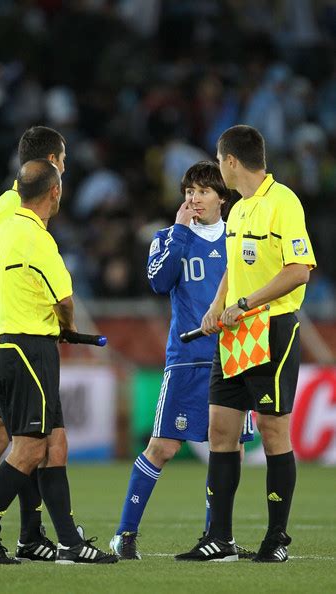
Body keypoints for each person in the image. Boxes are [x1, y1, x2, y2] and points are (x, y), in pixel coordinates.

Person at [0, 159, 118, 565]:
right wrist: (65, 326)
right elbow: (64, 301)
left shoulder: (1, 229)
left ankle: (68, 541)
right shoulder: (37, 237)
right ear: (55, 191)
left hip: (5, 345)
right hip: (31, 348)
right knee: (29, 449)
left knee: (54, 442)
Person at [176, 125, 316, 563]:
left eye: (219, 162)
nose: (219, 169)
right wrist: (217, 306)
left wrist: (244, 302)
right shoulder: (236, 212)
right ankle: (218, 538)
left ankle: (276, 540)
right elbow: (232, 268)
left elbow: (300, 269)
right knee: (221, 430)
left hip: (272, 329)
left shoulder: (284, 202)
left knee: (274, 432)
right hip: (235, 334)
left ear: (231, 161)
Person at [110, 161, 254, 560]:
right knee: (163, 447)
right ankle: (125, 534)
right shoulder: (169, 237)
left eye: (204, 191)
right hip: (187, 360)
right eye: (189, 191)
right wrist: (179, 232)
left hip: (232, 358)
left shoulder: (238, 239)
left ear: (222, 197)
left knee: (231, 450)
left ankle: (216, 535)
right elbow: (158, 282)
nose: (194, 198)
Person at [0, 126, 67, 562]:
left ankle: (28, 534)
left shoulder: (17, 207)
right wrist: (17, 318)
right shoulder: (13, 209)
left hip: (6, 332)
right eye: (62, 160)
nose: (65, 169)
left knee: (25, 434)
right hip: (2, 334)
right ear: (50, 162)